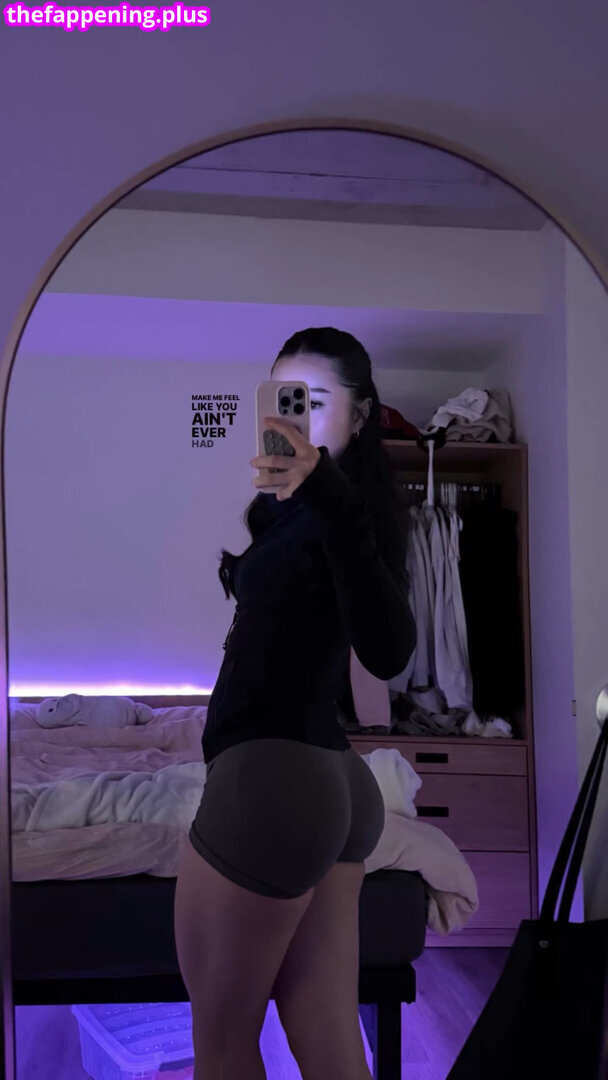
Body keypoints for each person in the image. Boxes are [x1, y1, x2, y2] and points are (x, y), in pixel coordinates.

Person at [174, 327, 416, 1080]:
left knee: (222, 1044)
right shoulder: (297, 515)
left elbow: (390, 650)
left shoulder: (347, 514)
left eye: (313, 401)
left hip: (274, 787)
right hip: (326, 783)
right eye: (283, 399)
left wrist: (327, 497)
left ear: (361, 415)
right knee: (329, 1037)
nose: (293, 417)